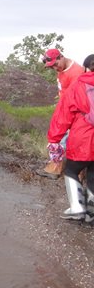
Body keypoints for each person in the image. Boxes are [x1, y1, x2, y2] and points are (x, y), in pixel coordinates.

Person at [46, 54, 94, 222]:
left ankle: (77, 209)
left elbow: (63, 115)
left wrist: (54, 139)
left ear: (86, 69)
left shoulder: (78, 86)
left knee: (71, 170)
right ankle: (92, 210)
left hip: (83, 138)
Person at [36, 49, 85, 179]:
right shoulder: (61, 69)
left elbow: (76, 97)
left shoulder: (76, 72)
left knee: (62, 139)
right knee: (62, 138)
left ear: (61, 57)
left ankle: (59, 170)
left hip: (73, 111)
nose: (54, 68)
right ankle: (61, 169)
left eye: (55, 64)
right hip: (64, 108)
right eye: (51, 66)